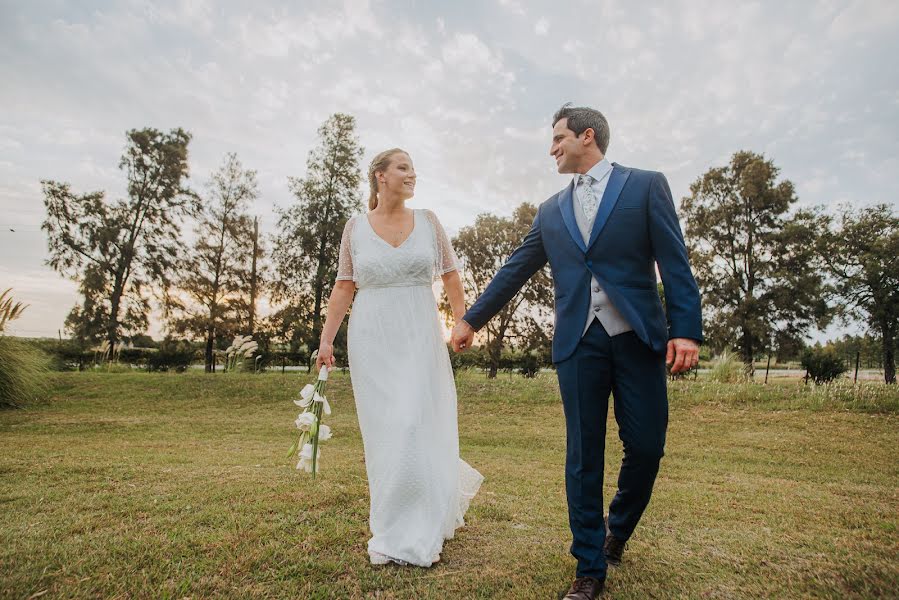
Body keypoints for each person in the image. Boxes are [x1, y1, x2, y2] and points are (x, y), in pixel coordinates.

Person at [452, 104, 702, 599]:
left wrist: (686, 329)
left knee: (648, 446)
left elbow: (675, 260)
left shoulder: (646, 185)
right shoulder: (549, 211)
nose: (551, 149)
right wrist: (470, 318)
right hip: (578, 342)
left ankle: (617, 529)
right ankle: (589, 567)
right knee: (583, 456)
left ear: (587, 136)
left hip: (638, 338)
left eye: (558, 139)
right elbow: (515, 269)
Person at [315, 148, 483, 567]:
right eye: (403, 167)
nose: (412, 174)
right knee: (387, 432)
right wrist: (326, 340)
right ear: (380, 176)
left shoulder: (428, 222)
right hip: (373, 336)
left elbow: (450, 276)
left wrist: (463, 321)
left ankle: (422, 522)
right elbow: (343, 288)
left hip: (419, 333)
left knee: (414, 422)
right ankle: (390, 526)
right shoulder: (355, 228)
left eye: (413, 167)